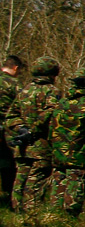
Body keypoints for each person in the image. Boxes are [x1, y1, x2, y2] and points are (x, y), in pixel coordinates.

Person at [5, 57, 61, 214]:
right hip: (41, 147)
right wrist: (30, 131)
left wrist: (21, 129)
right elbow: (51, 113)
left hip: (23, 146)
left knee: (20, 180)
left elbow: (11, 115)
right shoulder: (53, 91)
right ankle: (31, 216)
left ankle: (17, 213)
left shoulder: (25, 91)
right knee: (35, 181)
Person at [51, 68, 85, 217]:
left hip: (59, 155)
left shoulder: (62, 102)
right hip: (80, 157)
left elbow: (52, 127)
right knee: (75, 193)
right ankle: (68, 220)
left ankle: (53, 218)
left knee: (58, 188)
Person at [0, 54, 24, 210]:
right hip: (6, 130)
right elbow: (23, 107)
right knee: (8, 165)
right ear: (15, 68)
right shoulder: (14, 85)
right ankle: (10, 200)